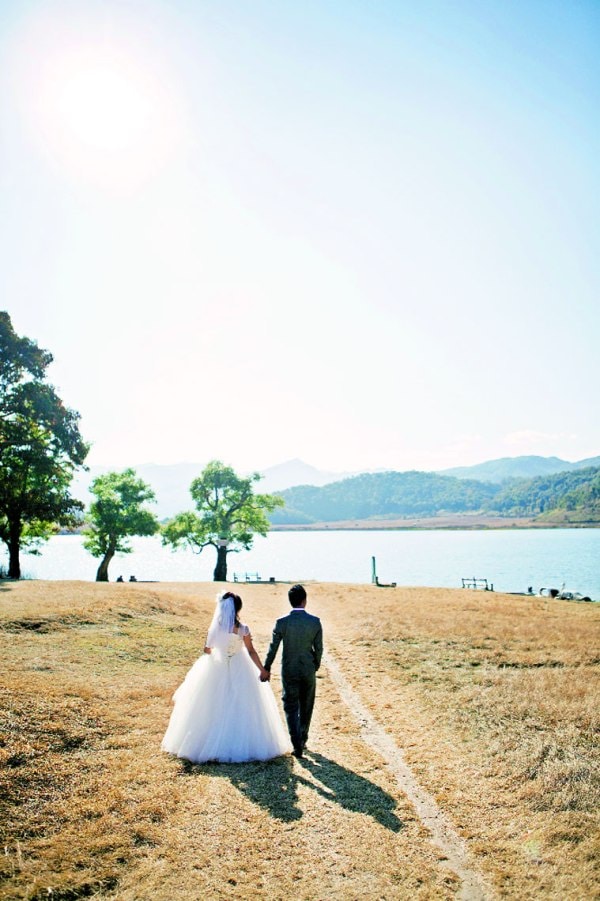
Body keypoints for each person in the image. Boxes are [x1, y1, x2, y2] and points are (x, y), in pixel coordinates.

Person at [162, 591, 290, 764]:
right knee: (240, 703)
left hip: (217, 666)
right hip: (240, 665)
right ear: (238, 608)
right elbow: (251, 651)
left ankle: (207, 743)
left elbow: (207, 650)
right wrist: (262, 670)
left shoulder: (215, 628)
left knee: (212, 703)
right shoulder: (243, 629)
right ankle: (237, 741)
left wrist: (217, 649)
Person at [262, 584, 323, 758]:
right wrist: (315, 665)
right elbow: (319, 648)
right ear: (305, 600)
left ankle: (296, 743)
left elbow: (273, 647)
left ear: (290, 602)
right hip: (308, 669)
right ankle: (303, 736)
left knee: (290, 705)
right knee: (307, 704)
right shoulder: (315, 622)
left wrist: (267, 666)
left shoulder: (282, 622)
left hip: (289, 669)